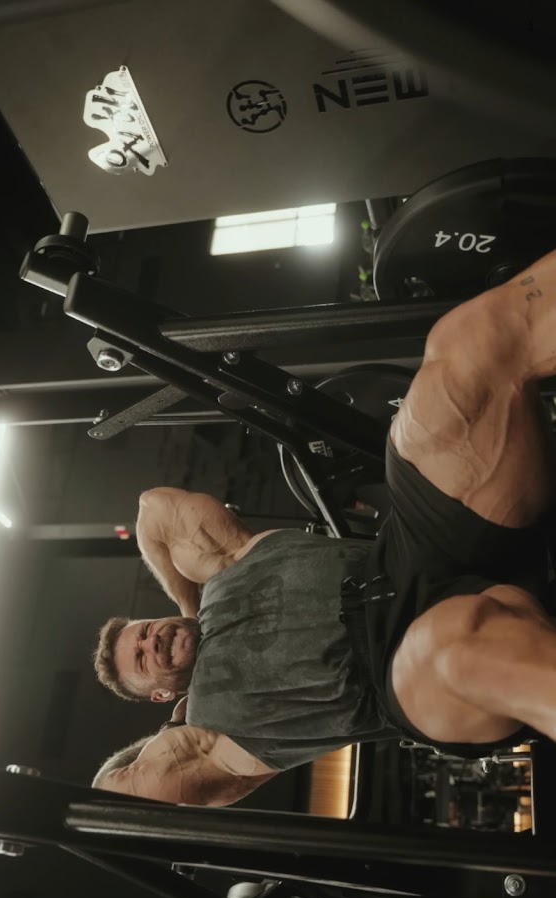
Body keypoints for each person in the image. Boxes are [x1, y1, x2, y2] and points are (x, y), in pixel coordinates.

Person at [93, 249, 556, 807]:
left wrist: (189, 603)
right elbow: (119, 800)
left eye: (143, 631)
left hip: (410, 549)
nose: (151, 640)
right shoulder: (208, 738)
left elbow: (153, 509)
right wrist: (174, 726)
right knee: (459, 646)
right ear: (160, 697)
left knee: (470, 342)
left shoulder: (224, 568)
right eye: (141, 659)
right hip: (400, 674)